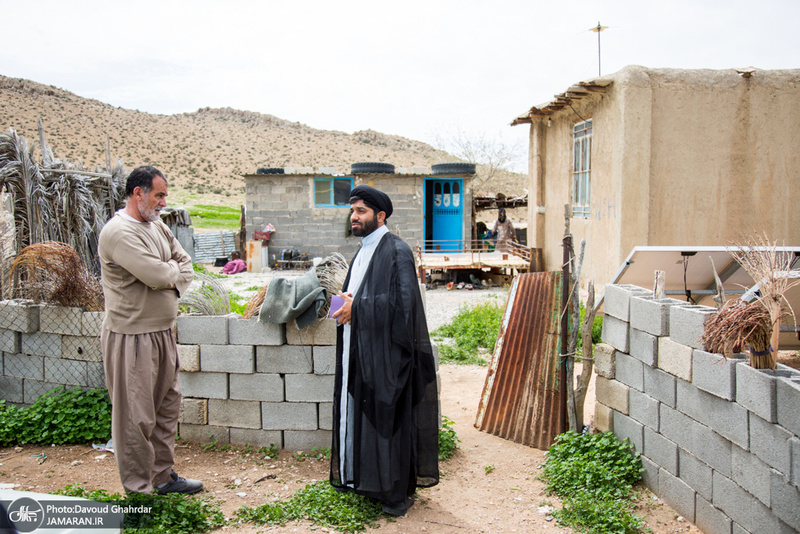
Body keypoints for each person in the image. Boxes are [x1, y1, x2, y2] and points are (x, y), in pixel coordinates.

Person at [330, 185, 439, 516]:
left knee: (387, 421)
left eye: (361, 211)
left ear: (380, 216)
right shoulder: (362, 250)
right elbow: (354, 294)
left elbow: (402, 305)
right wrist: (342, 304)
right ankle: (366, 483)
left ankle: (393, 494)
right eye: (352, 211)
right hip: (361, 349)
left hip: (388, 356)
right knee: (364, 417)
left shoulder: (396, 251)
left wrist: (358, 308)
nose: (354, 217)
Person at [98, 166, 202, 495]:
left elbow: (185, 262)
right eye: (158, 195)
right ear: (138, 193)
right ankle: (138, 490)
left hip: (162, 332)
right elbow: (156, 275)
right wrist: (170, 273)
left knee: (167, 406)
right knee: (136, 416)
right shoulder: (118, 233)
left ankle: (161, 476)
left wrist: (170, 273)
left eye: (165, 195)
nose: (163, 202)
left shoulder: (157, 226)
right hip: (132, 336)